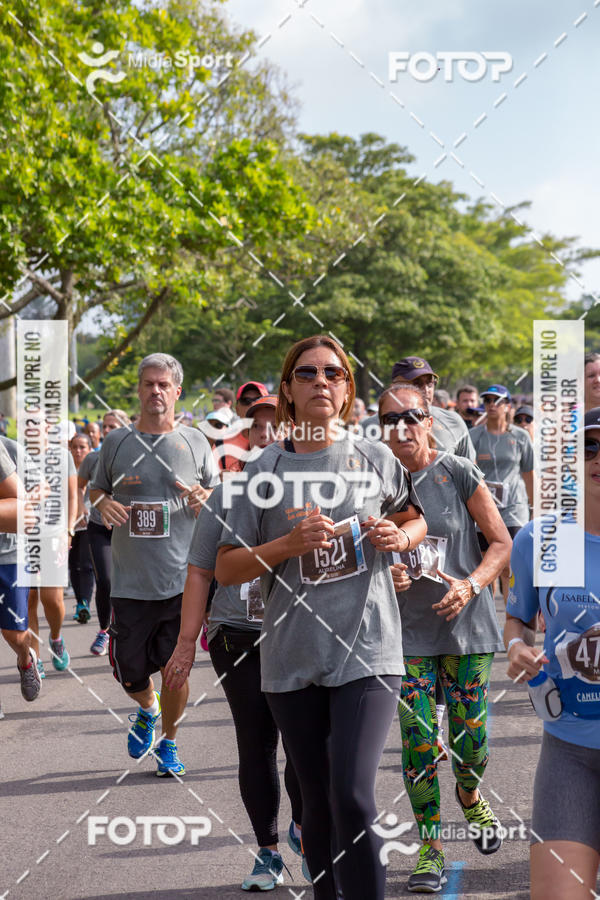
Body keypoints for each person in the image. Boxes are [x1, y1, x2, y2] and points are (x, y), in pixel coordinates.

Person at [216, 335, 427, 900]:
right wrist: (285, 544)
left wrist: (397, 534)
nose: (321, 382)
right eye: (307, 374)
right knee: (315, 798)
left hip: (369, 650)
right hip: (291, 656)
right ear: (287, 388)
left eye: (333, 373)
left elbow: (414, 520)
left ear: (347, 387)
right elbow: (228, 569)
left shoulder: (375, 456)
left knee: (354, 792)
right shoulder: (261, 468)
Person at [166, 395, 307, 891]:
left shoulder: (312, 489)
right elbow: (201, 571)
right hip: (236, 634)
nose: (265, 438)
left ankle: (304, 831)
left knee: (304, 744)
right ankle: (267, 851)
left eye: (275, 429)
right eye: (257, 431)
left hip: (299, 633)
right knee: (257, 741)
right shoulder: (225, 496)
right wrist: (186, 644)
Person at [378, 384, 511, 891]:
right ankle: (430, 850)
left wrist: (473, 583)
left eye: (413, 416)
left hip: (467, 627)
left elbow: (501, 542)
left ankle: (472, 798)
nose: (403, 426)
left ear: (430, 420)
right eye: (391, 419)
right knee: (416, 742)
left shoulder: (455, 470)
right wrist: (384, 572)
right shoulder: (371, 478)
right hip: (403, 633)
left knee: (469, 745)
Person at [90, 354, 218, 776]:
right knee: (130, 675)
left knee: (176, 670)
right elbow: (95, 490)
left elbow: (218, 498)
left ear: (177, 391)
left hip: (183, 582)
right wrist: (103, 502)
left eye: (164, 385)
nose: (156, 391)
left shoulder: (196, 442)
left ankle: (170, 743)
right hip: (130, 584)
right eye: (148, 384)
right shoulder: (116, 443)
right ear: (139, 390)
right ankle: (147, 708)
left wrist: (206, 500)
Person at [504, 406, 600, 900]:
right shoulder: (539, 539)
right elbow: (516, 617)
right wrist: (517, 647)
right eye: (589, 446)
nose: (599, 457)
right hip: (569, 750)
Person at [469, 384, 534, 604]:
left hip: (514, 509)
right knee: (486, 567)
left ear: (507, 406)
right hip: (485, 508)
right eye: (487, 400)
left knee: (510, 566)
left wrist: (535, 509)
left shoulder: (521, 436)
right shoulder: (474, 436)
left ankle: (511, 622)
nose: (491, 405)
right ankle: (488, 624)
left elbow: (529, 474)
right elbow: (467, 473)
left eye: (496, 401)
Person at [77, 410, 131, 655]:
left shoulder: (136, 456)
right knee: (106, 580)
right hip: (99, 528)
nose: (107, 431)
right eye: (105, 426)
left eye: (112, 426)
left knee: (131, 582)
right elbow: (78, 487)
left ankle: (129, 629)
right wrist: (82, 512)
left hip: (129, 530)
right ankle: (104, 631)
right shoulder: (92, 459)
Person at [27, 428, 77, 678]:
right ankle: (34, 658)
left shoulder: (62, 455)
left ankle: (56, 638)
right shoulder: (15, 453)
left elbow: (71, 494)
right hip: (23, 535)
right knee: (28, 599)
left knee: (52, 598)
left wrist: (69, 528)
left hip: (53, 534)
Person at [0, 439, 42, 708]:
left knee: (13, 634)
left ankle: (26, 659)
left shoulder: (8, 449)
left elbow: (31, 503)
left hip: (8, 553)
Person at [69, 433, 95, 625]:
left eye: (82, 447)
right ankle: (80, 603)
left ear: (90, 449)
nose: (78, 451)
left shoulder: (96, 468)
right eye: (74, 447)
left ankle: (84, 603)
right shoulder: (64, 470)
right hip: (69, 525)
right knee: (73, 565)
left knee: (85, 564)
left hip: (88, 522)